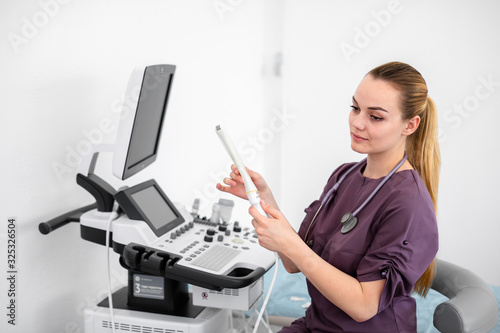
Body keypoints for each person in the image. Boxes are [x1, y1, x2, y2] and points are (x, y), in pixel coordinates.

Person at [216, 61, 439, 332]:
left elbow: (364, 306)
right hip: (316, 325)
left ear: (410, 125)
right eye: (355, 108)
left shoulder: (407, 203)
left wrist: (290, 244)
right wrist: (263, 198)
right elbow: (293, 262)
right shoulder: (343, 177)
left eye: (375, 117)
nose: (357, 123)